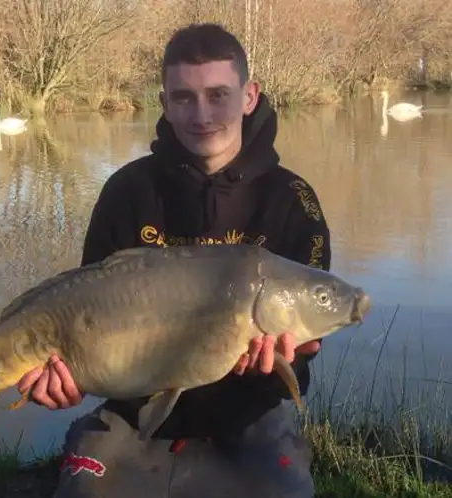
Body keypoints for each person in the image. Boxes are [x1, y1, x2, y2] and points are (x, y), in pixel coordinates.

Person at [17, 23, 331, 498]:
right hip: (134, 407)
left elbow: (313, 325)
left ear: (249, 96)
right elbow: (85, 315)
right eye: (183, 97)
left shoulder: (292, 199)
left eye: (217, 95)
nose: (202, 114)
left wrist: (301, 347)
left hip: (252, 409)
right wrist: (68, 376)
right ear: (163, 102)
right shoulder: (127, 192)